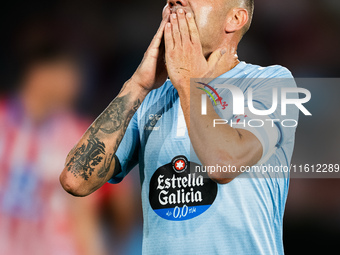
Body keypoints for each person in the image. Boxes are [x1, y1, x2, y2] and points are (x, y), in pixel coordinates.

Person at [60, 0, 299, 254]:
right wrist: (137, 85)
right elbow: (75, 180)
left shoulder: (270, 83)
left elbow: (223, 163)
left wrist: (188, 80)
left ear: (235, 19)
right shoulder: (151, 96)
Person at [0, 45, 109, 255]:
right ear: (37, 74)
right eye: (66, 74)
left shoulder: (78, 135)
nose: (75, 84)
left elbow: (84, 215)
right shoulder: (3, 120)